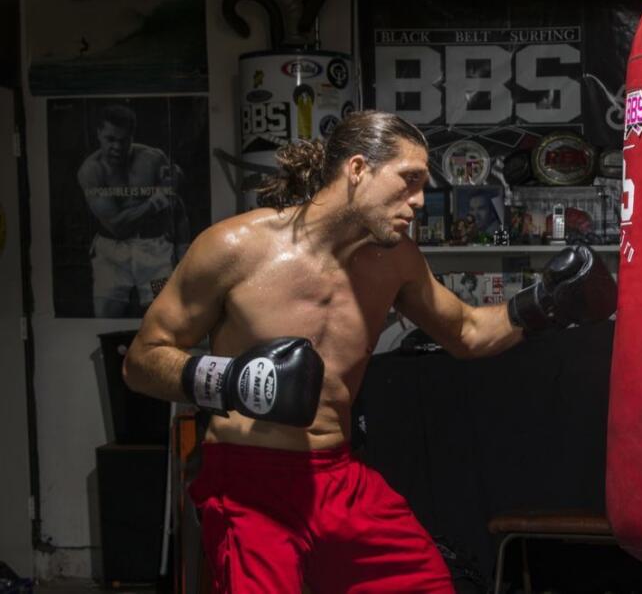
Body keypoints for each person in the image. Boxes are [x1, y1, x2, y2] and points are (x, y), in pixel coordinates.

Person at [123, 110, 616, 593]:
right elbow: (142, 361)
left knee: (425, 583)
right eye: (408, 180)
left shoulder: (395, 261)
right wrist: (230, 380)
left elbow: (466, 332)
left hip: (337, 477)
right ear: (358, 170)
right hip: (250, 480)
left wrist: (544, 304)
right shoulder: (234, 247)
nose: (420, 200)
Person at [77, 103, 189, 317]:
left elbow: (177, 207)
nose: (117, 147)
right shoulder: (91, 171)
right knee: (106, 316)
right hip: (112, 255)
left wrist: (183, 251)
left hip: (154, 255)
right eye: (110, 139)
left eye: (124, 140)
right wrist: (156, 201)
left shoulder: (153, 159)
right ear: (99, 134)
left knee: (163, 316)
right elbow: (117, 226)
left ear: (132, 136)